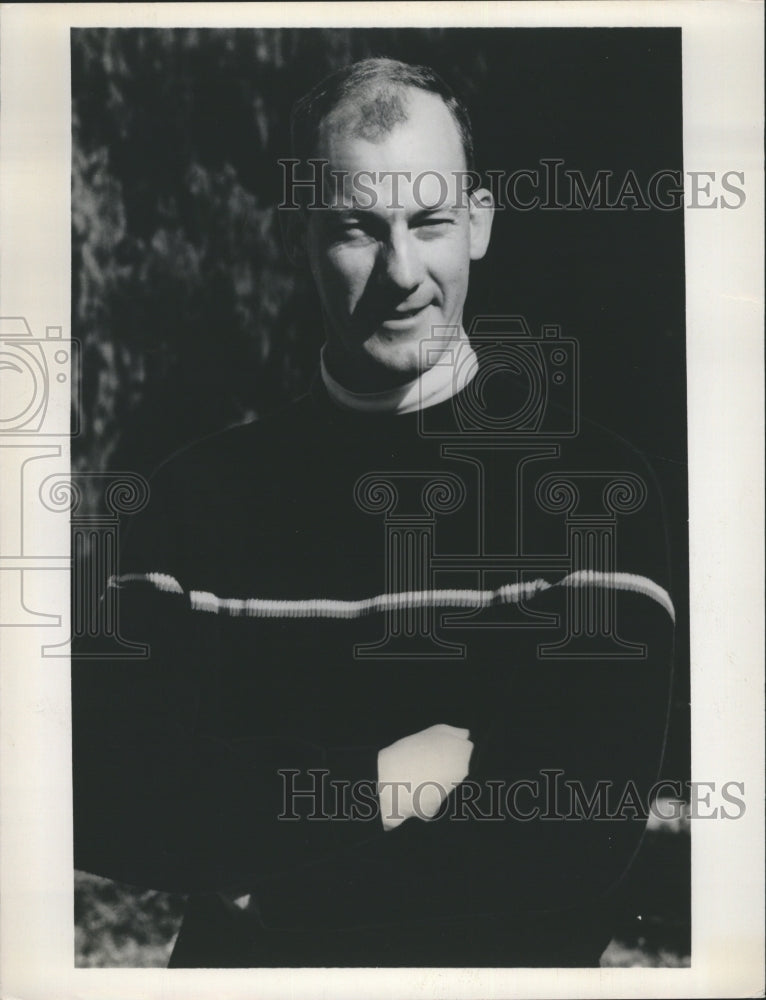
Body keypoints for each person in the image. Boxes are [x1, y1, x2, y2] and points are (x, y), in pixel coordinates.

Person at [72, 58, 676, 967]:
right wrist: (381, 782)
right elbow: (103, 796)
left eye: (429, 222)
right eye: (358, 228)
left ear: (478, 223)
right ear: (298, 235)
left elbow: (569, 839)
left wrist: (259, 879)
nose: (402, 272)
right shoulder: (194, 498)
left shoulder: (590, 489)